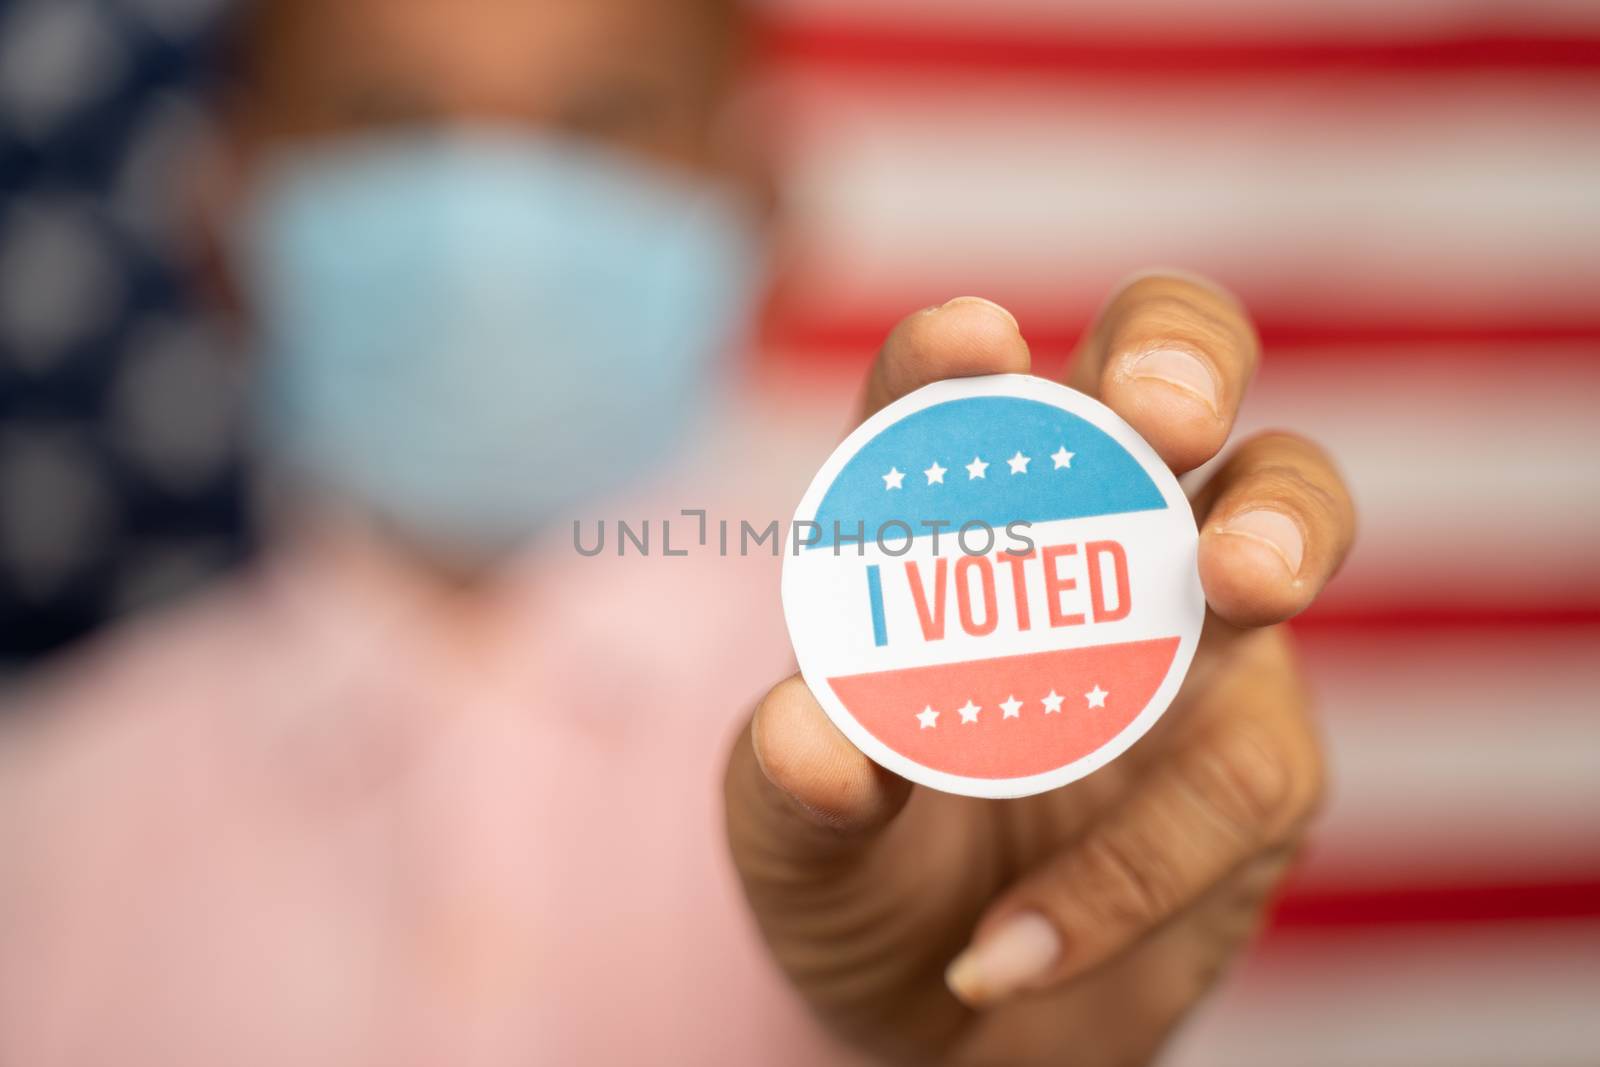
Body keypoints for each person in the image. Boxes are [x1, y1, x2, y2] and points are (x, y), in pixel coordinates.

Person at [0, 0, 1356, 1063]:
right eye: (388, 121)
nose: (488, 226)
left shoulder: (979, 753)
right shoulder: (40, 825)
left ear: (759, 204)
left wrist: (1032, 1040)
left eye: (599, 124)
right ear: (221, 216)